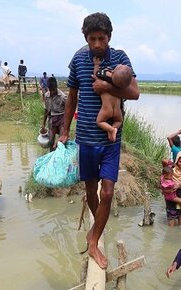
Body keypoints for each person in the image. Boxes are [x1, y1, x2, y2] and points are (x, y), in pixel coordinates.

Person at [57, 12, 140, 269]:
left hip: (110, 141)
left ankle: (93, 241)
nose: (96, 44)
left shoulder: (120, 59)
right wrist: (63, 132)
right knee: (90, 190)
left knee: (107, 191)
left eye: (101, 38)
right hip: (85, 138)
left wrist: (107, 88)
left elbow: (135, 93)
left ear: (109, 37)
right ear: (85, 37)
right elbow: (71, 98)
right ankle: (97, 228)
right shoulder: (79, 59)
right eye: (91, 39)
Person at [93, 59, 133, 142]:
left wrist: (96, 65)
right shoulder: (121, 85)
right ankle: (114, 129)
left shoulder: (106, 76)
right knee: (119, 121)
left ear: (113, 72)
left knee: (100, 121)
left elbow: (96, 76)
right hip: (117, 110)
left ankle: (111, 130)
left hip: (107, 109)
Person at [41, 77, 67, 151]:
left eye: (53, 90)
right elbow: (46, 110)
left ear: (56, 87)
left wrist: (66, 126)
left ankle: (60, 159)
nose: (51, 92)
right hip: (52, 119)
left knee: (61, 142)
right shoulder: (46, 96)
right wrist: (43, 124)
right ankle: (52, 158)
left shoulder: (63, 97)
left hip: (62, 118)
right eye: (50, 90)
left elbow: (68, 110)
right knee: (50, 141)